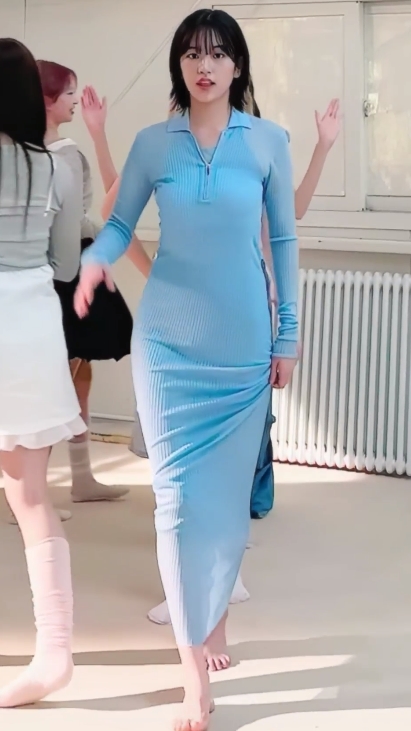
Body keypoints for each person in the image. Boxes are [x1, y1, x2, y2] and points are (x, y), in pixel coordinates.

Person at [75, 8, 299, 730]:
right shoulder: (152, 143)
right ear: (179, 65)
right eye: (192, 54)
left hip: (242, 345)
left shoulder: (267, 141)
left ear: (238, 65)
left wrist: (288, 335)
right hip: (168, 346)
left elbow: (283, 242)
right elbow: (119, 224)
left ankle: (214, 623)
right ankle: (191, 671)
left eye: (218, 53)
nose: (205, 66)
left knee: (226, 508)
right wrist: (95, 259)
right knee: (174, 501)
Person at [0, 38, 86, 707]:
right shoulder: (58, 166)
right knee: (30, 496)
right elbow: (66, 265)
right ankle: (55, 650)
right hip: (32, 325)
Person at [38, 60, 134, 507]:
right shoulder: (59, 155)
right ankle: (33, 492)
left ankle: (80, 477)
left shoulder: (43, 150)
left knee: (77, 370)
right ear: (46, 99)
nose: (76, 100)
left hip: (59, 266)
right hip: (59, 271)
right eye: (69, 93)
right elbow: (72, 222)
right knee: (51, 380)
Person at [250, 95, 341, 520]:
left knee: (257, 404)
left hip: (258, 297)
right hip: (217, 299)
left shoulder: (266, 152)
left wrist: (323, 146)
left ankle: (251, 492)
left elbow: (295, 210)